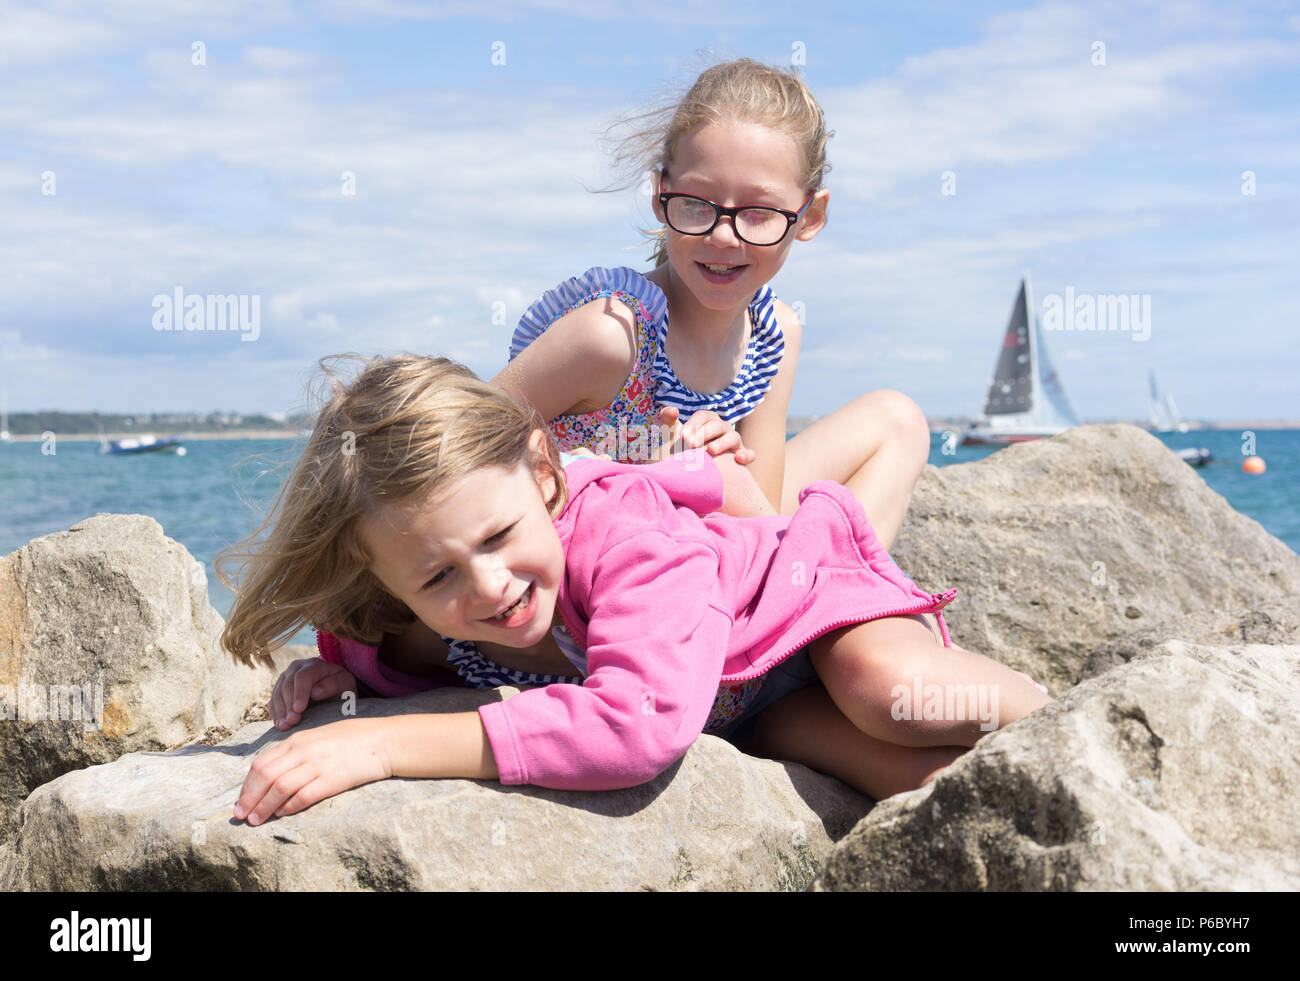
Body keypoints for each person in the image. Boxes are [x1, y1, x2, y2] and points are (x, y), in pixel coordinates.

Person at [218, 355, 1050, 826]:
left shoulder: (625, 530)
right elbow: (373, 648)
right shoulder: (401, 619)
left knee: (889, 693)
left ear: (543, 471)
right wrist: (340, 683)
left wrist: (385, 747)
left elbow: (636, 724)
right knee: (927, 786)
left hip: (801, 606)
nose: (492, 584)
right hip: (747, 703)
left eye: (501, 536)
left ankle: (1075, 712)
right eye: (437, 576)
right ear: (387, 581)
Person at [492, 57, 931, 551]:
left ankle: (845, 588)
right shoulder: (611, 334)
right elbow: (462, 446)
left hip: (714, 546)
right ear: (662, 197)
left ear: (810, 215)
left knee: (898, 420)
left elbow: (758, 515)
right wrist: (647, 458)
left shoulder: (773, 332)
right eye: (697, 204)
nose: (723, 236)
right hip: (603, 553)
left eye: (759, 212)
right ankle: (823, 598)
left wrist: (725, 464)